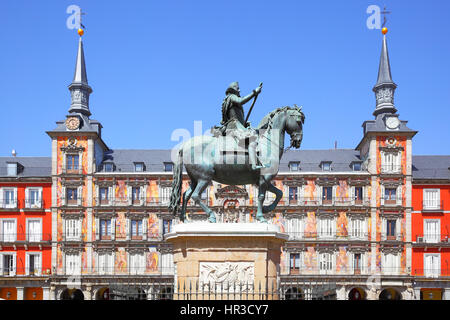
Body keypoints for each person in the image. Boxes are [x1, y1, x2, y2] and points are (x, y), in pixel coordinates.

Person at [220, 81, 264, 170]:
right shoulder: (232, 97)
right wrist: (254, 92)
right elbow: (241, 101)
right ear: (233, 90)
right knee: (252, 139)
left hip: (236, 124)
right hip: (234, 126)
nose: (239, 90)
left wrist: (244, 123)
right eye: (238, 89)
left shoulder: (229, 99)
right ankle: (254, 164)